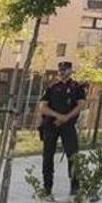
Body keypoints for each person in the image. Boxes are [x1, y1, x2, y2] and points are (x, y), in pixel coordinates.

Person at [38, 61, 86, 195]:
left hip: (68, 126)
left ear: (70, 70)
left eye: (65, 69)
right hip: (51, 125)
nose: (62, 71)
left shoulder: (77, 87)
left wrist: (66, 117)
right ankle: (47, 187)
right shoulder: (52, 87)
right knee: (47, 156)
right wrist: (58, 116)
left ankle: (75, 187)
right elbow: (43, 107)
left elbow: (81, 105)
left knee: (73, 156)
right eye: (60, 69)